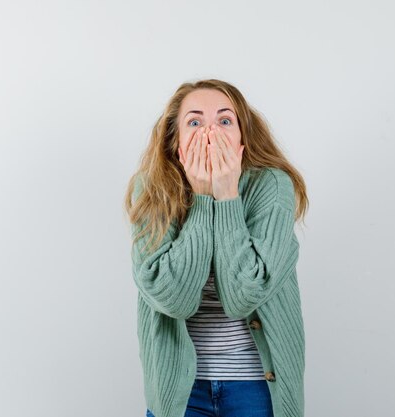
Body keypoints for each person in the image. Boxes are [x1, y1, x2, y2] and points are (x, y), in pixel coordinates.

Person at [124, 79, 309, 417]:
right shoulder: (151, 189)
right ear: (175, 140)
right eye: (194, 122)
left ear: (242, 137)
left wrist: (226, 196)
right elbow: (172, 300)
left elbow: (244, 295)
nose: (211, 132)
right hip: (180, 391)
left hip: (258, 387)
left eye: (225, 121)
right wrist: (202, 197)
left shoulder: (272, 186)